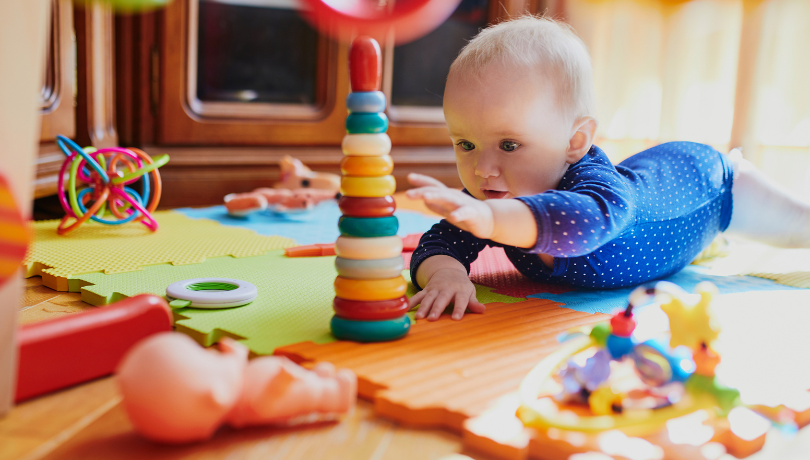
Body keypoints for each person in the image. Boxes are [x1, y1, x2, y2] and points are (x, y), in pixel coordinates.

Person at [405, 15, 810, 322]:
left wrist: (489, 219)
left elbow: (583, 224)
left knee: (800, 228)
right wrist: (446, 274)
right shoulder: (492, 200)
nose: (483, 168)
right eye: (466, 144)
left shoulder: (595, 193)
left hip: (709, 183)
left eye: (509, 145)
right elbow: (436, 245)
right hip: (649, 182)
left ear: (575, 142)